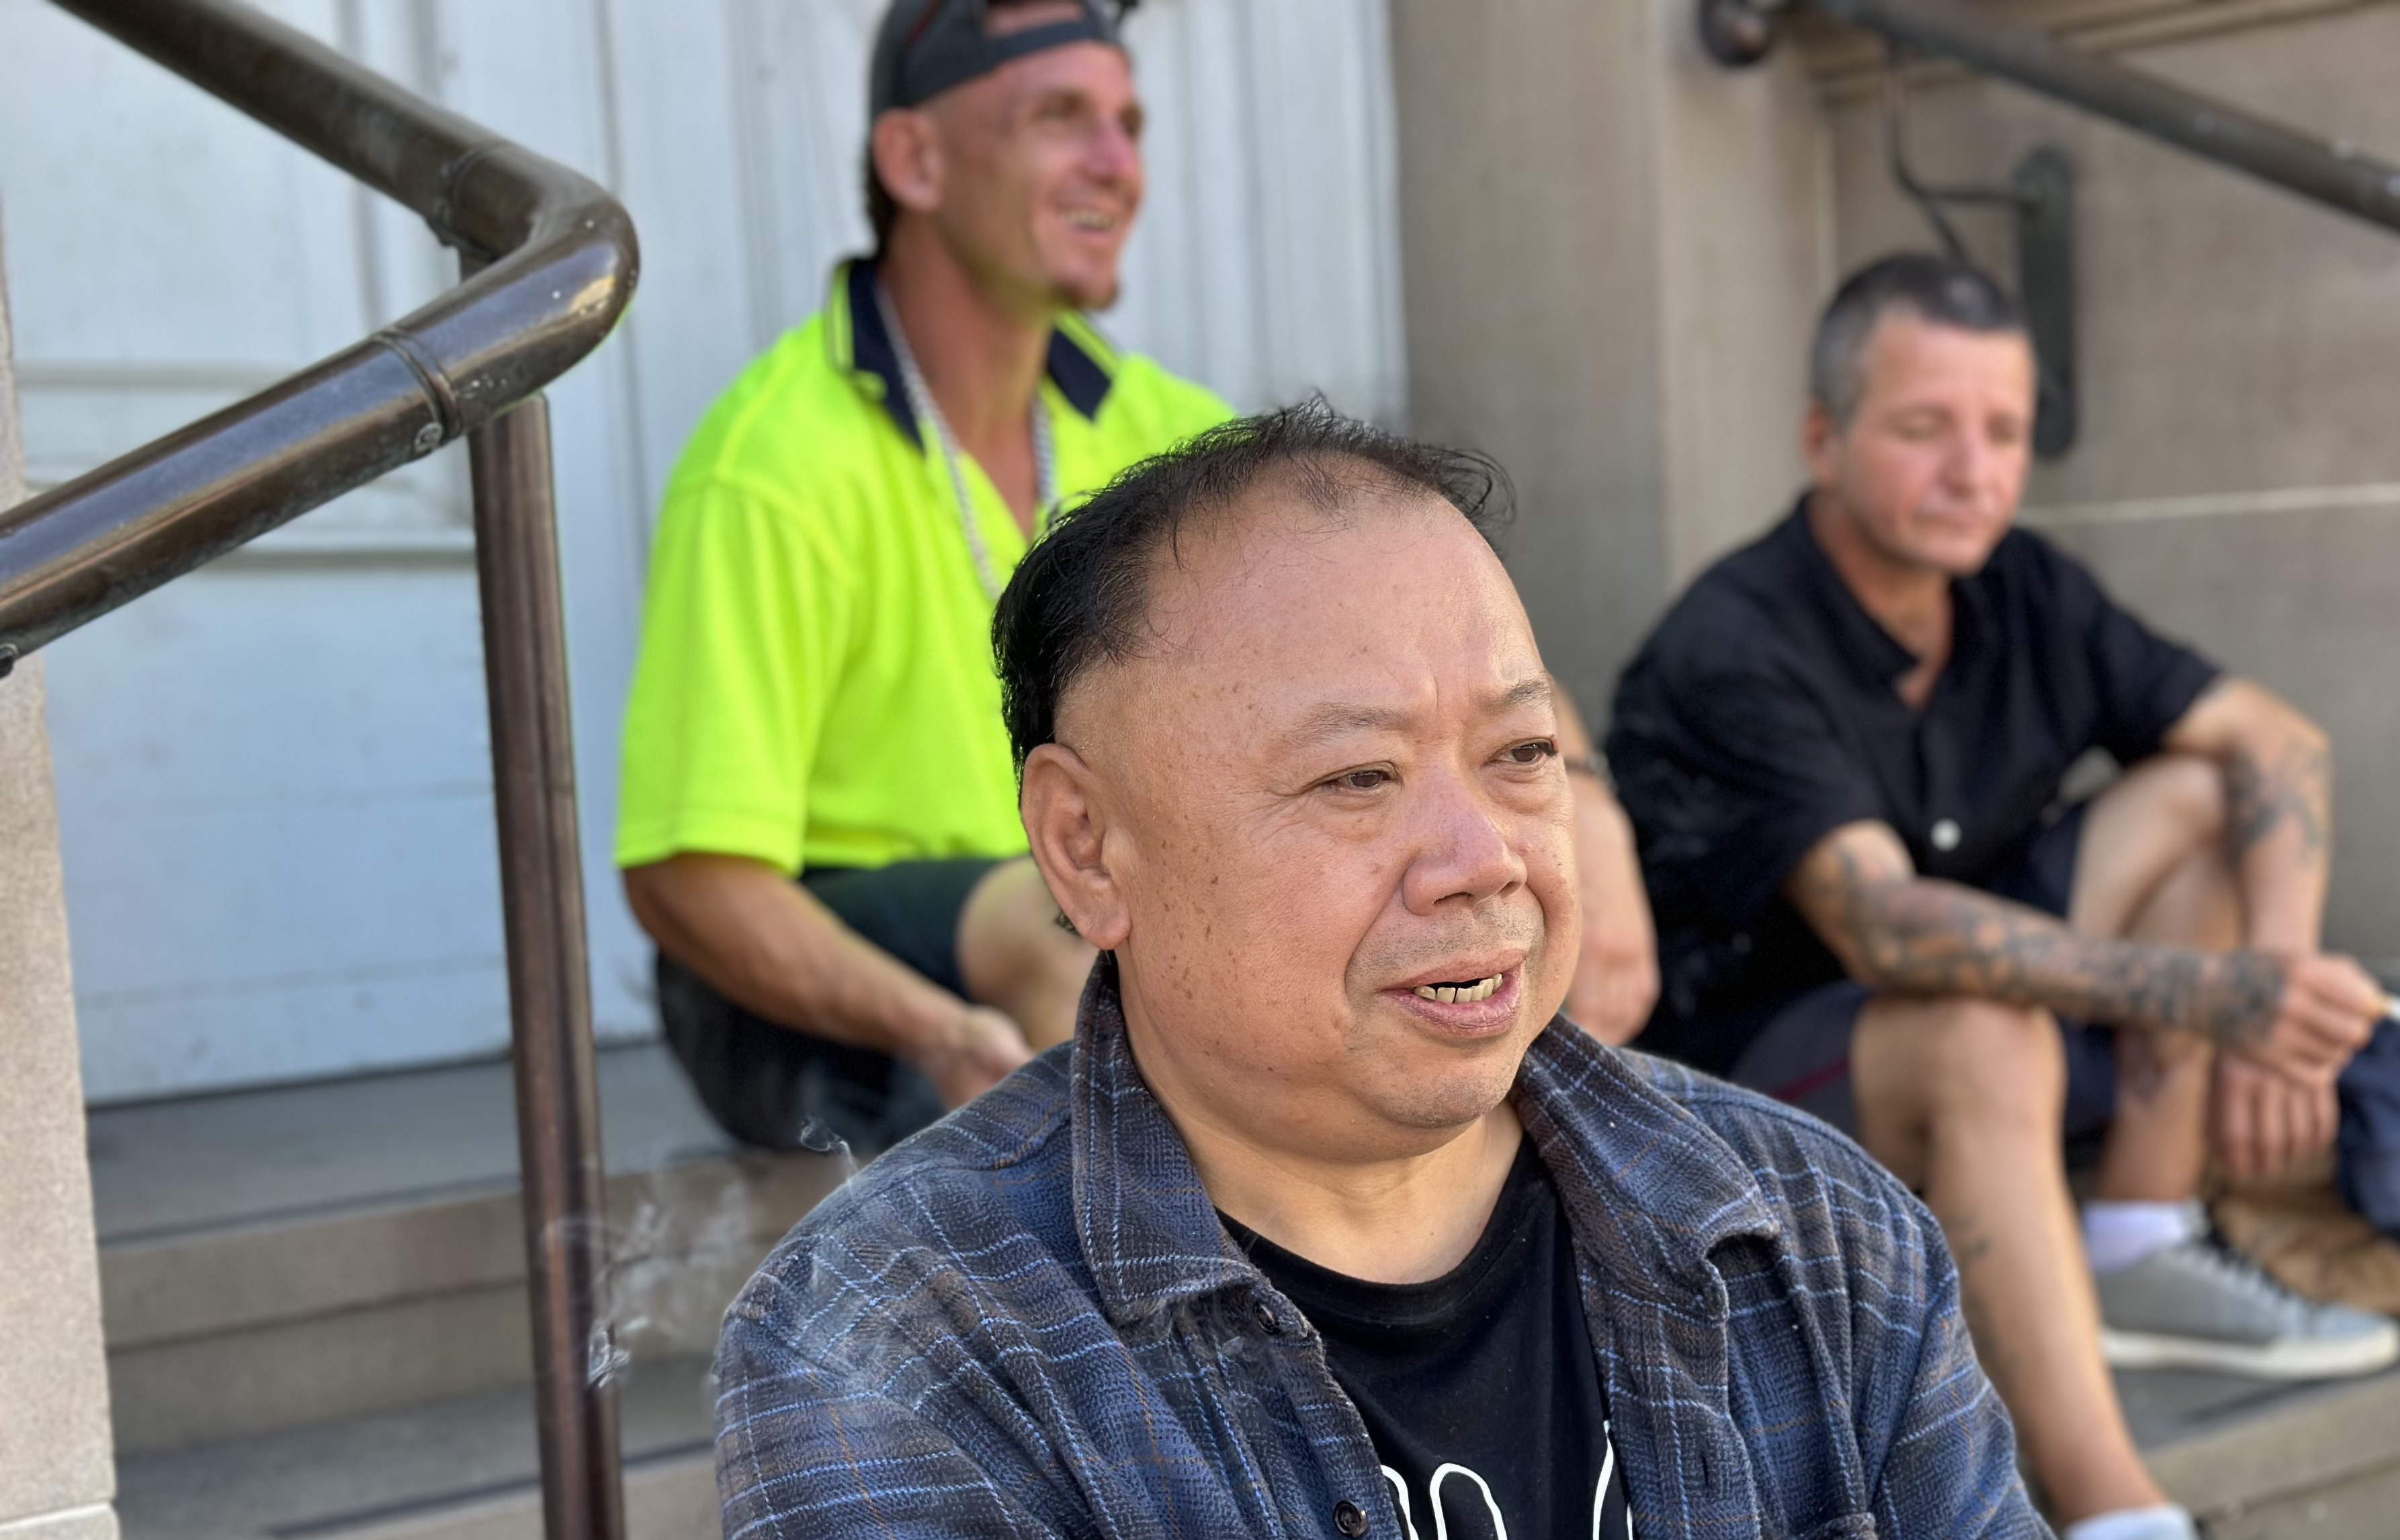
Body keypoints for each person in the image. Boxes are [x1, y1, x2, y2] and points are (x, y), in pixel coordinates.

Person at [715, 404, 2254, 1540]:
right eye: (1357, 777)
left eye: (1522, 757)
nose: (1481, 860)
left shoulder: (1808, 1228)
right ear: (1087, 847)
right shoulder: (898, 1348)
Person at [616, 0, 1655, 1158]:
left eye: (1128, 123)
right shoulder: (774, 461)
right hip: (809, 996)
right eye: (1060, 119)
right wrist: (935, 1025)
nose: (1118, 166)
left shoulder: (1164, 435)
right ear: (913, 158)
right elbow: (689, 880)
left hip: (1082, 914)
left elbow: (1431, 647)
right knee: (1051, 917)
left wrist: (1590, 810)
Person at [1606, 251, 2399, 1540]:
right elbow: (1885, 924)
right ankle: (2117, 1530)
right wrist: (2215, 998)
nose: (1972, 469)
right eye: (1923, 427)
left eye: (2004, 429)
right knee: (1986, 1021)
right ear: (1823, 439)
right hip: (1749, 1108)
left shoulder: (2020, 588)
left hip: (1979, 1057)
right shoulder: (1737, 639)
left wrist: (2280, 975)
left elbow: (2270, 738)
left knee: (2195, 792)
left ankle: (2141, 1238)